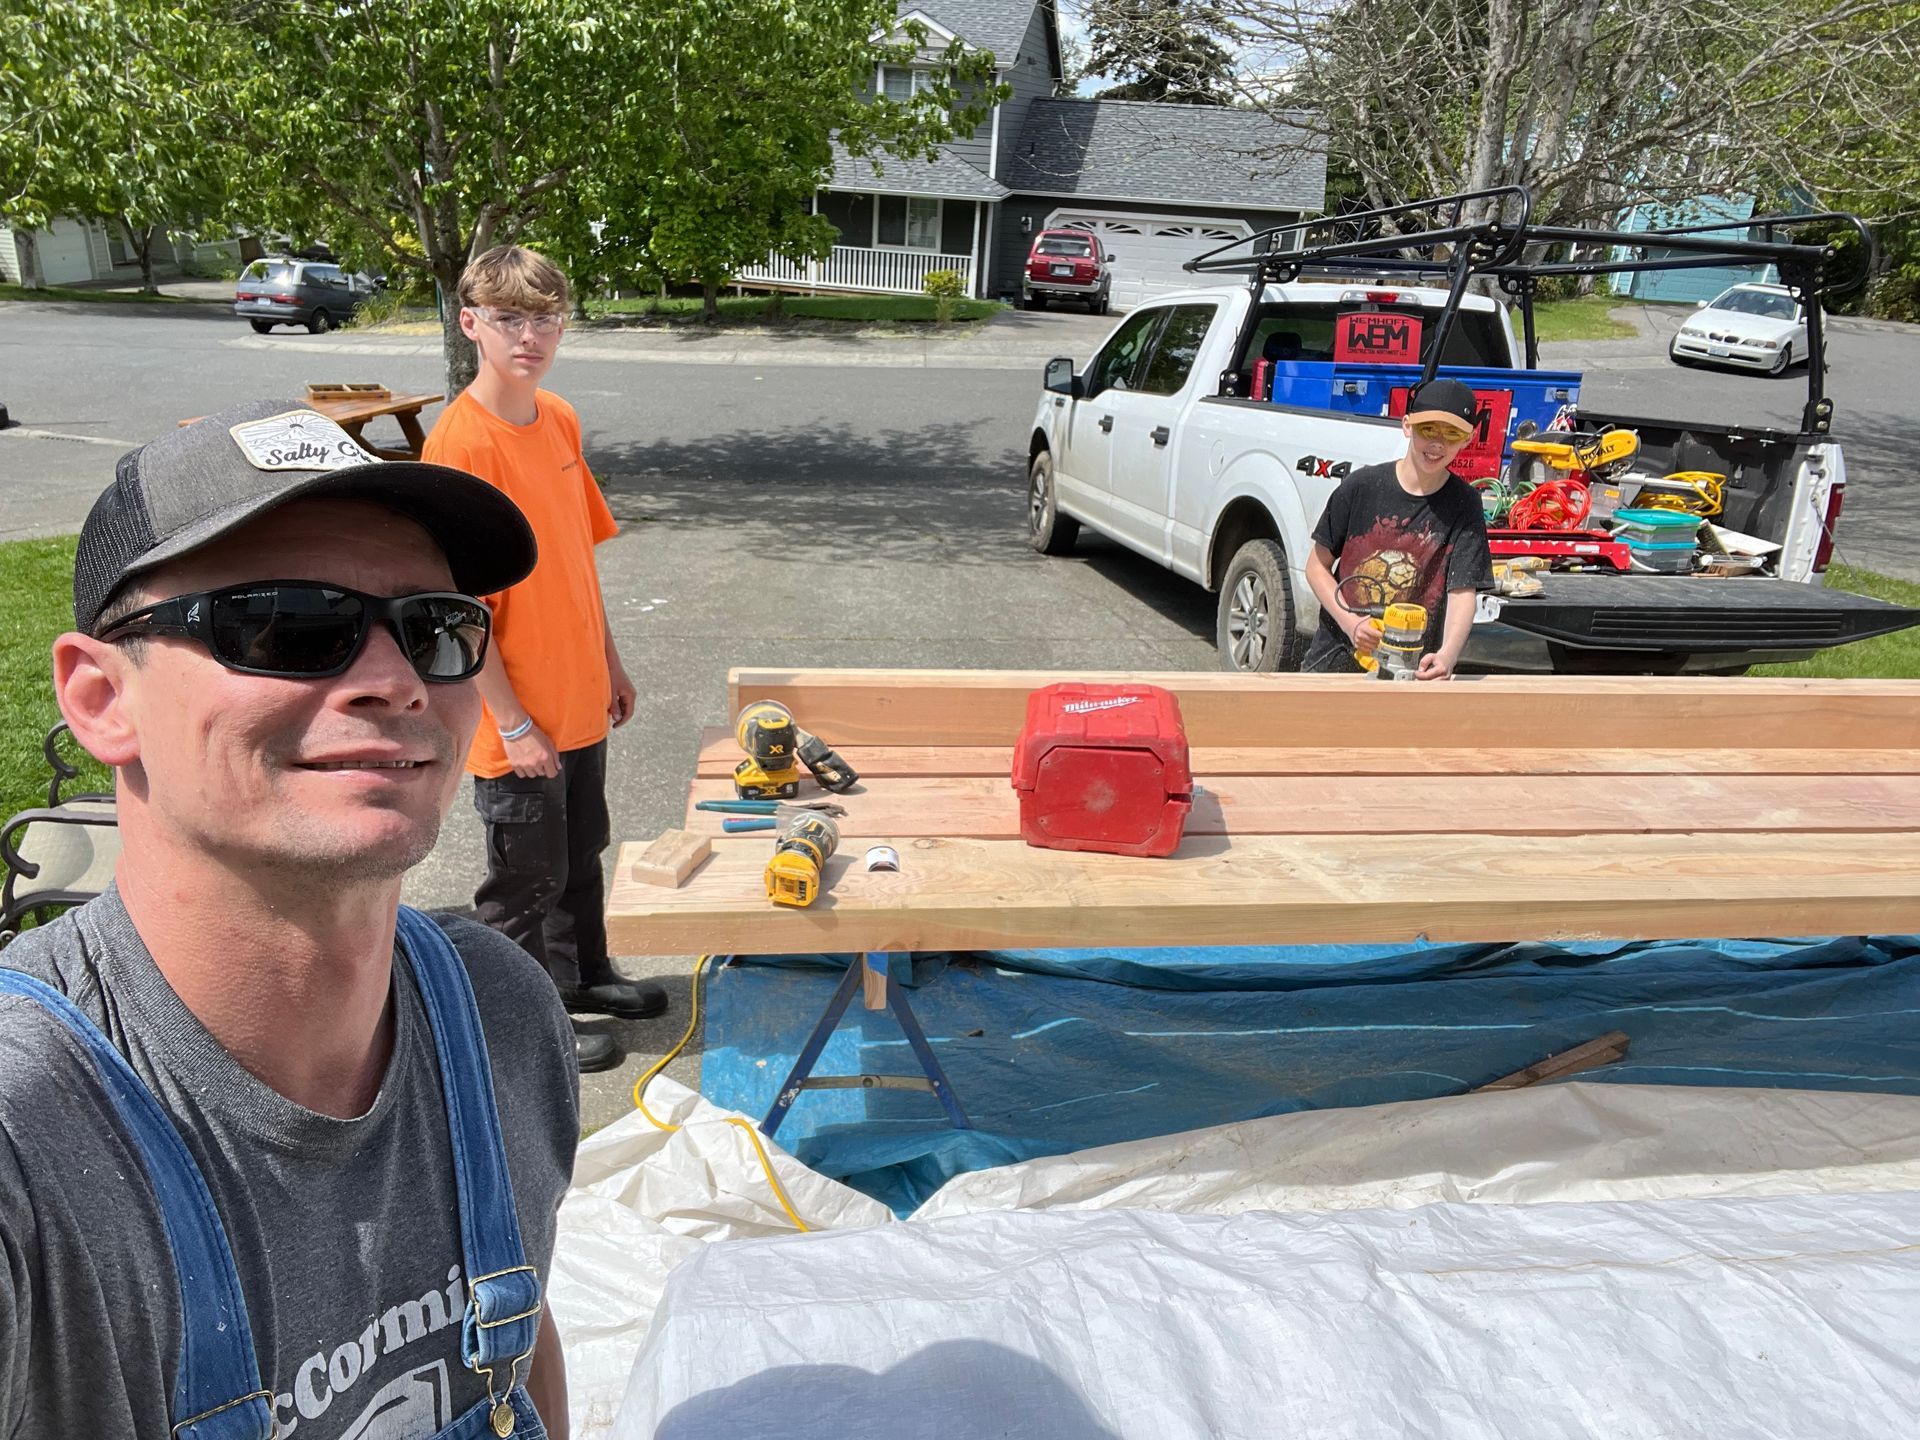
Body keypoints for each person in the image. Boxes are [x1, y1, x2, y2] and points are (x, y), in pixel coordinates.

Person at [0, 399, 576, 1436]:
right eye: (287, 624)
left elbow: (522, 1352)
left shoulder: (502, 1018)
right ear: (99, 699)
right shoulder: (30, 1136)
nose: (395, 682)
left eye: (436, 631)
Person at [422, 245, 664, 1075]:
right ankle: (522, 1023)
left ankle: (584, 976)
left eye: (546, 318)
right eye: (510, 319)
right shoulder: (460, 448)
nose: (530, 335)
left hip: (578, 695)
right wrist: (513, 721)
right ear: (471, 324)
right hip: (515, 717)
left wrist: (612, 663)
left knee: (581, 849)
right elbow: (461, 616)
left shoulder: (557, 419)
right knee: (522, 883)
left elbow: (576, 557)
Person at [1301, 377, 1494, 679]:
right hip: (1334, 662)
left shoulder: (1465, 503)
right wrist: (1351, 623)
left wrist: (1447, 656)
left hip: (1411, 673)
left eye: (1452, 434)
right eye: (1427, 429)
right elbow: (1316, 567)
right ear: (1407, 425)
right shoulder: (1361, 487)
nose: (1437, 443)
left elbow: (1462, 592)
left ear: (1468, 439)